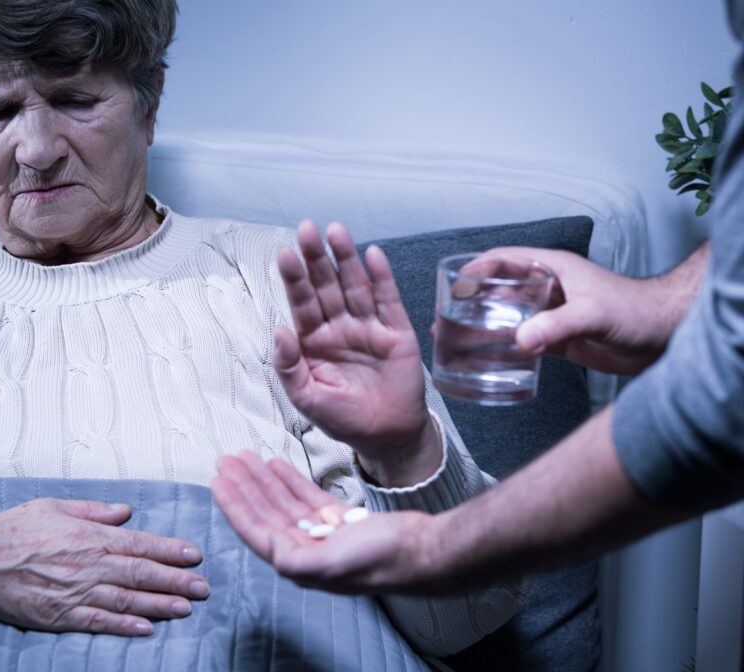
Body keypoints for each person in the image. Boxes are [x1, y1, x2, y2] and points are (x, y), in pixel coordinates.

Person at [0, 1, 525, 669]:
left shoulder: (281, 277)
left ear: (150, 101)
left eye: (75, 98)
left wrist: (405, 452)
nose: (35, 151)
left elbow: (468, 619)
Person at [212, 0, 744, 597]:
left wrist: (414, 488)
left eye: (86, 101)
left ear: (151, 99)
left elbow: (724, 396)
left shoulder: (261, 271)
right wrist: (667, 306)